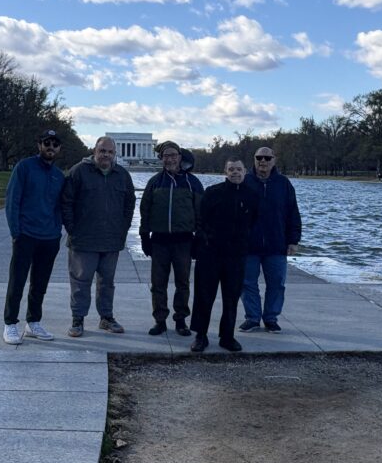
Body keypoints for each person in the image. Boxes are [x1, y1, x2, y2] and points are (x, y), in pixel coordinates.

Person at [61, 136, 136, 337]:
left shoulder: (122, 175)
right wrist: (72, 229)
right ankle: (78, 319)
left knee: (107, 282)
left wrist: (123, 228)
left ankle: (106, 317)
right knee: (80, 281)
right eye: (103, 151)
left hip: (111, 239)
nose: (106, 155)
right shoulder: (79, 171)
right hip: (83, 239)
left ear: (115, 154)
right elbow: (66, 202)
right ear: (95, 150)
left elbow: (129, 203)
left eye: (110, 152)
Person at [1, 129, 65, 345]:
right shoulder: (24, 167)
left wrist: (57, 231)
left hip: (49, 237)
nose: (50, 147)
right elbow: (12, 200)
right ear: (39, 145)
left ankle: (33, 322)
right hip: (26, 235)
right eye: (46, 142)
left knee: (40, 283)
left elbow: (59, 206)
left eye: (55, 144)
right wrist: (16, 232)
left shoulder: (58, 175)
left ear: (59, 149)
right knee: (17, 281)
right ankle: (10, 323)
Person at [190, 157, 259, 353]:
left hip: (236, 255)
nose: (235, 173)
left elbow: (254, 221)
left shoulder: (252, 196)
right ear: (225, 172)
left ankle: (227, 336)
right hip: (210, 253)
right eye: (231, 170)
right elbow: (200, 220)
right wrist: (204, 243)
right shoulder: (213, 192)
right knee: (204, 296)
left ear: (245, 171)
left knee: (231, 297)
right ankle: (200, 335)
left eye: (239, 169)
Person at [139, 141, 204, 337]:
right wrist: (144, 235)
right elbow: (145, 210)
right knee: (158, 283)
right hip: (159, 241)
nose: (170, 159)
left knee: (182, 283)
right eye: (166, 156)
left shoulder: (192, 182)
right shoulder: (155, 182)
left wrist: (199, 239)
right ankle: (160, 320)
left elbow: (201, 213)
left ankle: (181, 319)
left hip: (184, 241)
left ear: (180, 157)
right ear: (162, 159)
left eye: (173, 155)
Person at [241, 146, 301, 333]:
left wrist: (293, 240)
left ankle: (271, 318)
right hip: (249, 245)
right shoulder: (245, 181)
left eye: (267, 158)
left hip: (276, 244)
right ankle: (252, 318)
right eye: (259, 157)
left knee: (276, 284)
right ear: (254, 159)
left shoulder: (283, 184)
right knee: (247, 283)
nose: (263, 161)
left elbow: (293, 213)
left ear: (274, 160)